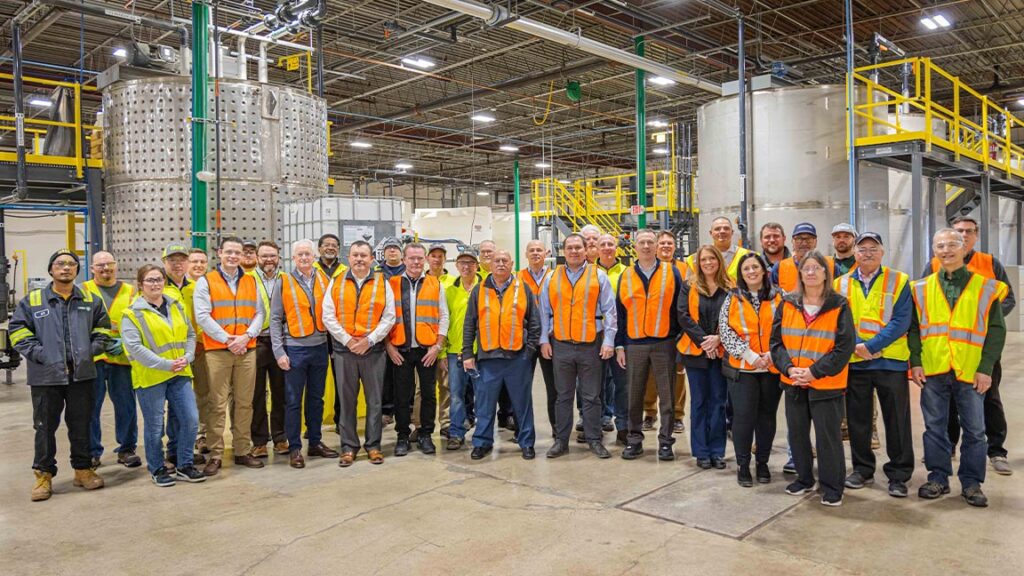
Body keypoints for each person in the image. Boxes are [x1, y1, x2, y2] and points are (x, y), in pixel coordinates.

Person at [910, 228, 1006, 507]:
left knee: (975, 429)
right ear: (934, 251)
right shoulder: (921, 288)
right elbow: (914, 329)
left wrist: (986, 367)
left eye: (952, 245)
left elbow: (996, 330)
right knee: (934, 427)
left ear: (964, 248)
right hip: (934, 368)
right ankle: (938, 477)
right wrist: (915, 361)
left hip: (970, 369)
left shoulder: (986, 287)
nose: (946, 250)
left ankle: (972, 483)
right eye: (940, 245)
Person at [10, 249, 111, 501]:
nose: (65, 268)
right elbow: (18, 332)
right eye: (60, 264)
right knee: (44, 427)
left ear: (77, 270)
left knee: (81, 425)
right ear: (51, 270)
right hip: (46, 377)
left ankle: (82, 470)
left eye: (71, 264)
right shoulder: (33, 301)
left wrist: (89, 352)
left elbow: (104, 331)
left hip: (81, 375)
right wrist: (42, 355)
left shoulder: (90, 300)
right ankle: (44, 476)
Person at [924, 216, 1016, 476]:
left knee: (989, 402)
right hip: (943, 356)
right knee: (947, 408)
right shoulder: (932, 266)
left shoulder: (990, 264)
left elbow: (1005, 299)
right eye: (957, 232)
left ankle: (996, 451)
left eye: (967, 232)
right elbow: (923, 306)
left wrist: (985, 322)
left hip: (979, 351)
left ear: (974, 236)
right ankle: (949, 447)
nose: (961, 237)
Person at [770, 250, 856, 506]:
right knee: (797, 434)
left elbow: (844, 347)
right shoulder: (788, 303)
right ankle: (804, 479)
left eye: (816, 268)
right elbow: (776, 343)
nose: (810, 272)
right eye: (806, 268)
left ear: (825, 274)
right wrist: (788, 369)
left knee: (827, 437)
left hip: (825, 383)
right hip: (794, 381)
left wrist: (814, 372)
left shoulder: (839, 304)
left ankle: (832, 487)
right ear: (800, 273)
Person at [834, 232, 914, 497]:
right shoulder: (840, 284)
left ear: (882, 252)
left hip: (891, 362)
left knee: (897, 421)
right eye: (862, 249)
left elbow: (901, 320)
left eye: (873, 248)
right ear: (854, 254)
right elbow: (838, 320)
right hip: (856, 363)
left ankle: (899, 474)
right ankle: (862, 469)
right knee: (858, 420)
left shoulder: (900, 280)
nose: (867, 253)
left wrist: (871, 346)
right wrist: (857, 345)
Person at [121, 265, 205, 487]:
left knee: (190, 419)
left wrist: (187, 356)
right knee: (155, 426)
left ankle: (185, 464)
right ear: (140, 284)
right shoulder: (132, 313)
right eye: (150, 280)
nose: (155, 284)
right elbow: (135, 349)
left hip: (180, 372)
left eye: (159, 279)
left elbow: (190, 333)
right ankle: (157, 468)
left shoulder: (176, 305)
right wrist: (166, 364)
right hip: (151, 377)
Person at [540, 233, 618, 459]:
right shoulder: (551, 278)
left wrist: (609, 341)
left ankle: (594, 440)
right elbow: (544, 313)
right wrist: (544, 340)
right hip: (561, 345)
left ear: (586, 251)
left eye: (578, 248)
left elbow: (610, 312)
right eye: (570, 248)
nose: (574, 252)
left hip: (590, 346)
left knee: (592, 396)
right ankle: (561, 441)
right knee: (563, 396)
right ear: (563, 251)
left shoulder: (599, 276)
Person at [193, 236, 266, 475]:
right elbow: (202, 316)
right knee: (217, 403)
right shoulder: (206, 281)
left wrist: (246, 337)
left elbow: (259, 313)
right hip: (218, 351)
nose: (234, 256)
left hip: (246, 349)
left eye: (238, 252)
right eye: (229, 252)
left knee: (245, 403)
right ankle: (215, 453)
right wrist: (228, 340)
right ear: (220, 253)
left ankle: (242, 450)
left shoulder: (251, 281)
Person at [322, 241, 396, 467]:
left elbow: (389, 316)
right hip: (345, 351)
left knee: (374, 402)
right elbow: (328, 315)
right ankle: (348, 447)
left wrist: (369, 340)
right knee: (347, 401)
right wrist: (348, 340)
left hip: (373, 351)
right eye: (355, 255)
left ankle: (373, 446)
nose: (359, 259)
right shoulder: (336, 281)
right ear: (349, 258)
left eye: (364, 255)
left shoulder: (383, 283)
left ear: (372, 259)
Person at [462, 250, 541, 460]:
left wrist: (529, 351)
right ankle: (482, 443)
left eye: (505, 261)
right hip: (488, 359)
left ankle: (526, 443)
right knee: (484, 405)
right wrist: (468, 354)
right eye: (496, 260)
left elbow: (534, 322)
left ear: (512, 263)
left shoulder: (523, 288)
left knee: (522, 405)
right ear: (489, 264)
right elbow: (469, 323)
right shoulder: (479, 290)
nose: (500, 264)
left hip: (517, 358)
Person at [270, 239, 338, 469]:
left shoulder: (324, 280)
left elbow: (331, 314)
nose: (304, 258)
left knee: (316, 399)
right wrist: (279, 351)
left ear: (314, 256)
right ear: (293, 258)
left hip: (319, 348)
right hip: (294, 349)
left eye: (307, 254)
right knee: (293, 401)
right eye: (300, 255)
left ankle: (315, 442)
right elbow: (275, 319)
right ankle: (295, 448)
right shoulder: (284, 281)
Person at [616, 230, 683, 460]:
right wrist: (619, 346)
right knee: (634, 396)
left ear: (656, 246)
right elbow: (620, 315)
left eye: (650, 242)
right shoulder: (626, 276)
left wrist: (678, 342)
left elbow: (679, 309)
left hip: (664, 342)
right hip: (634, 344)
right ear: (634, 247)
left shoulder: (671, 272)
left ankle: (666, 442)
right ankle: (634, 440)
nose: (646, 246)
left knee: (667, 397)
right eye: (641, 242)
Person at [719, 252, 783, 486]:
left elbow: (787, 328)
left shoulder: (780, 297)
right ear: (741, 274)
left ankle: (763, 463)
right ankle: (743, 465)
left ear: (764, 271)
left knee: (767, 419)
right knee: (743, 419)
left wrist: (771, 355)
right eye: (746, 269)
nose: (751, 272)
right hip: (743, 371)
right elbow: (725, 332)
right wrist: (751, 356)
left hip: (771, 368)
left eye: (755, 267)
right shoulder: (732, 298)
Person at [386, 243, 449, 456]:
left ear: (425, 261)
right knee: (402, 396)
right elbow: (384, 318)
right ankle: (402, 435)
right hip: (400, 350)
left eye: (419, 259)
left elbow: (444, 316)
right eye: (411, 258)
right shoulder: (391, 284)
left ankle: (425, 434)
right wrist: (389, 347)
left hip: (427, 350)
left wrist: (437, 346)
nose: (415, 262)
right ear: (404, 260)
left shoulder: (435, 284)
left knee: (429, 395)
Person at [82, 251, 140, 469]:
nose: (105, 269)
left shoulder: (131, 291)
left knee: (126, 405)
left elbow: (138, 322)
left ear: (116, 266)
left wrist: (125, 343)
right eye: (100, 265)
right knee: (90, 406)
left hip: (121, 357)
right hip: (93, 356)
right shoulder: (83, 290)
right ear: (92, 268)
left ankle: (126, 449)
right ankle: (92, 452)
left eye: (109, 264)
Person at [678, 245, 732, 469]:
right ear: (698, 263)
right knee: (699, 402)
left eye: (712, 259)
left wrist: (718, 339)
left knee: (719, 402)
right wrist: (704, 340)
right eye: (703, 260)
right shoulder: (689, 285)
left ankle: (717, 451)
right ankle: (701, 452)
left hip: (721, 352)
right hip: (695, 353)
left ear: (719, 261)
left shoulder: (731, 287)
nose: (708, 263)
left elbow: (735, 316)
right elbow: (683, 315)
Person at [163, 244, 208, 461]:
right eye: (172, 260)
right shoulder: (159, 287)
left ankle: (186, 449)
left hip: (197, 350)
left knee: (193, 402)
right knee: (174, 404)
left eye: (182, 260)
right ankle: (173, 450)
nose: (178, 264)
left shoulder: (195, 288)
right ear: (165, 263)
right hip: (171, 355)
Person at [642, 231, 689, 434]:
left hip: (677, 332)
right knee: (650, 374)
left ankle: (677, 415)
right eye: (662, 243)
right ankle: (650, 412)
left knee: (678, 374)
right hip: (651, 332)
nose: (666, 246)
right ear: (655, 246)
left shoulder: (685, 269)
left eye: (670, 243)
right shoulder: (647, 269)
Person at [412, 243, 456, 440]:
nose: (437, 259)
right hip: (424, 346)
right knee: (422, 389)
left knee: (446, 387)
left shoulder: (453, 282)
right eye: (433, 256)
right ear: (427, 259)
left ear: (445, 259)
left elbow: (450, 316)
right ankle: (419, 426)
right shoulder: (421, 281)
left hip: (445, 344)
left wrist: (443, 347)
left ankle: (445, 423)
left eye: (441, 256)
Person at [250, 241, 287, 458]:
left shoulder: (286, 279)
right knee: (256, 395)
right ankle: (260, 441)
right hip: (256, 342)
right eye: (264, 256)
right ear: (256, 257)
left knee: (281, 392)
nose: (269, 260)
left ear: (279, 257)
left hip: (281, 343)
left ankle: (281, 438)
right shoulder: (248, 279)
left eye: (272, 256)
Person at [444, 248, 482, 450]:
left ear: (477, 265)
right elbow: (444, 321)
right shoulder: (449, 291)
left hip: (481, 351)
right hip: (455, 351)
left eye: (470, 263)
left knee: (482, 394)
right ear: (457, 266)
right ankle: (456, 433)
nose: (466, 266)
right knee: (456, 395)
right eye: (462, 263)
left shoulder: (485, 288)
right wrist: (443, 352)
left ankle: (482, 435)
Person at [519, 240, 555, 435]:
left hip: (551, 340)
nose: (535, 253)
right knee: (522, 388)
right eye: (531, 250)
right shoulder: (518, 278)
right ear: (526, 254)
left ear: (546, 253)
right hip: (526, 341)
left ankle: (558, 430)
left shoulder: (556, 276)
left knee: (555, 389)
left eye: (539, 250)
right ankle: (523, 431)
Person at [596, 234, 627, 439]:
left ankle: (623, 426)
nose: (607, 248)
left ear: (617, 248)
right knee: (594, 384)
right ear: (596, 249)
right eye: (603, 245)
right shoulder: (589, 273)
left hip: (621, 336)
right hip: (596, 335)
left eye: (611, 244)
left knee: (622, 383)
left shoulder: (627, 273)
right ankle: (595, 424)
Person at [377, 237, 405, 428]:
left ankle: (407, 408)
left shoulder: (409, 271)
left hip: (405, 327)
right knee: (385, 374)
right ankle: (386, 410)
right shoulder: (377, 273)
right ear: (383, 253)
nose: (392, 251)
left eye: (396, 248)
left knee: (404, 374)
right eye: (389, 248)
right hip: (381, 329)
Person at [771, 222, 839, 293]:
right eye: (799, 239)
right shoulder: (779, 268)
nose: (804, 243)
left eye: (809, 239)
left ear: (815, 242)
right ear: (792, 242)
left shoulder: (831, 266)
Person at [686, 217, 753, 281]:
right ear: (711, 233)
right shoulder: (694, 259)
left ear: (732, 232)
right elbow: (687, 287)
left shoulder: (749, 256)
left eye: (726, 228)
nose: (722, 231)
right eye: (717, 229)